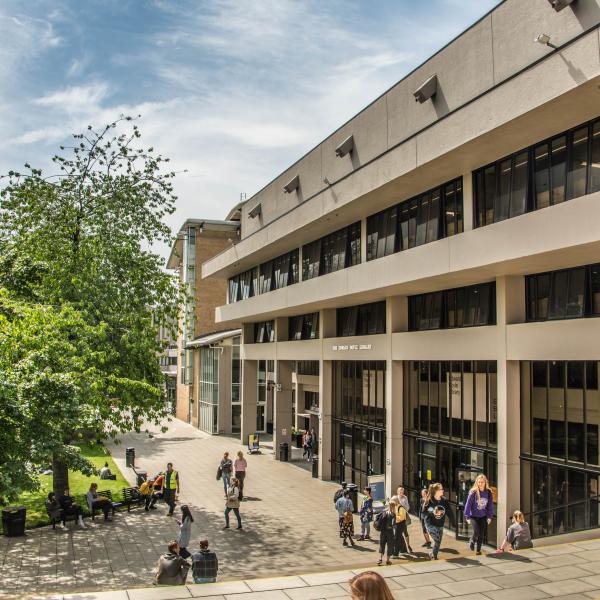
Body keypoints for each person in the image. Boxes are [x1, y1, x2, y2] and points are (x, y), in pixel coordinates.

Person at [423, 483, 456, 560]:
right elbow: (424, 512)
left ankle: (432, 554)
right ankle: (434, 557)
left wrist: (453, 523)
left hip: (440, 524)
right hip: (430, 524)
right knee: (437, 540)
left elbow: (449, 512)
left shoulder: (444, 500)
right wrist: (433, 512)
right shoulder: (430, 500)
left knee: (438, 542)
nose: (443, 490)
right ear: (436, 491)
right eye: (441, 489)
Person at [464, 474, 494, 555]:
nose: (480, 484)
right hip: (474, 516)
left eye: (482, 482)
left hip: (483, 516)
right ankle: (472, 541)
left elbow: (490, 505)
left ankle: (478, 550)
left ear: (485, 482)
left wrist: (489, 516)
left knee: (481, 534)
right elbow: (468, 504)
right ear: (477, 482)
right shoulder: (473, 492)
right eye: (479, 482)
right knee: (476, 531)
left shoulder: (488, 492)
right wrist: (467, 516)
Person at [375, 500, 396, 566]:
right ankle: (387, 560)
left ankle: (380, 559)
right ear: (393, 507)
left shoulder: (384, 512)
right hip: (389, 532)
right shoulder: (393, 514)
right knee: (390, 546)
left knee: (382, 545)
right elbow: (394, 525)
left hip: (383, 532)